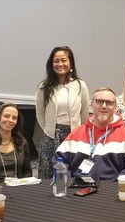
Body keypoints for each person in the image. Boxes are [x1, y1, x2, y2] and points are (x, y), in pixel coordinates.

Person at [54, 87, 125, 181]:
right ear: (91, 104)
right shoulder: (76, 133)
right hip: (77, 189)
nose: (104, 106)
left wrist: (114, 187)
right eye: (99, 101)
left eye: (109, 103)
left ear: (115, 108)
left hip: (111, 190)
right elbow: (59, 161)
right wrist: (67, 182)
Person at [35, 46, 89, 179]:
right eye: (56, 61)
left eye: (63, 60)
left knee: (73, 171)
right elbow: (40, 114)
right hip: (51, 136)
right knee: (49, 174)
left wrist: (77, 131)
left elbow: (84, 112)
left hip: (74, 135)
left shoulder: (80, 85)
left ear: (70, 63)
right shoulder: (44, 87)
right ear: (51, 63)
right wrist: (49, 129)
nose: (60, 64)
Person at [0, 103, 33, 183]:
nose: (10, 120)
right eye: (6, 116)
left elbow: (27, 171)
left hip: (18, 187)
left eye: (14, 118)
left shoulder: (22, 142)